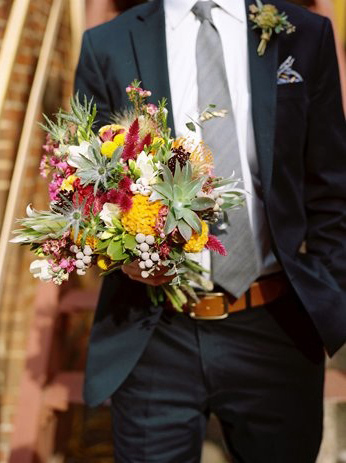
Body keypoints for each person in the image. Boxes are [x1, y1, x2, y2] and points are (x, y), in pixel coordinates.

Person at [75, 0, 346, 461]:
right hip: (156, 330)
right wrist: (125, 257)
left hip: (275, 325)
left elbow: (332, 189)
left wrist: (328, 293)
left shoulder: (303, 34)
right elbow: (87, 190)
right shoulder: (108, 44)